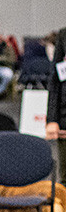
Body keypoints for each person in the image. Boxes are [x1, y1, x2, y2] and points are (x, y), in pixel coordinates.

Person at [46, 25, 66, 184]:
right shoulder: (63, 35)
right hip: (64, 117)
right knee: (65, 177)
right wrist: (52, 119)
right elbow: (54, 82)